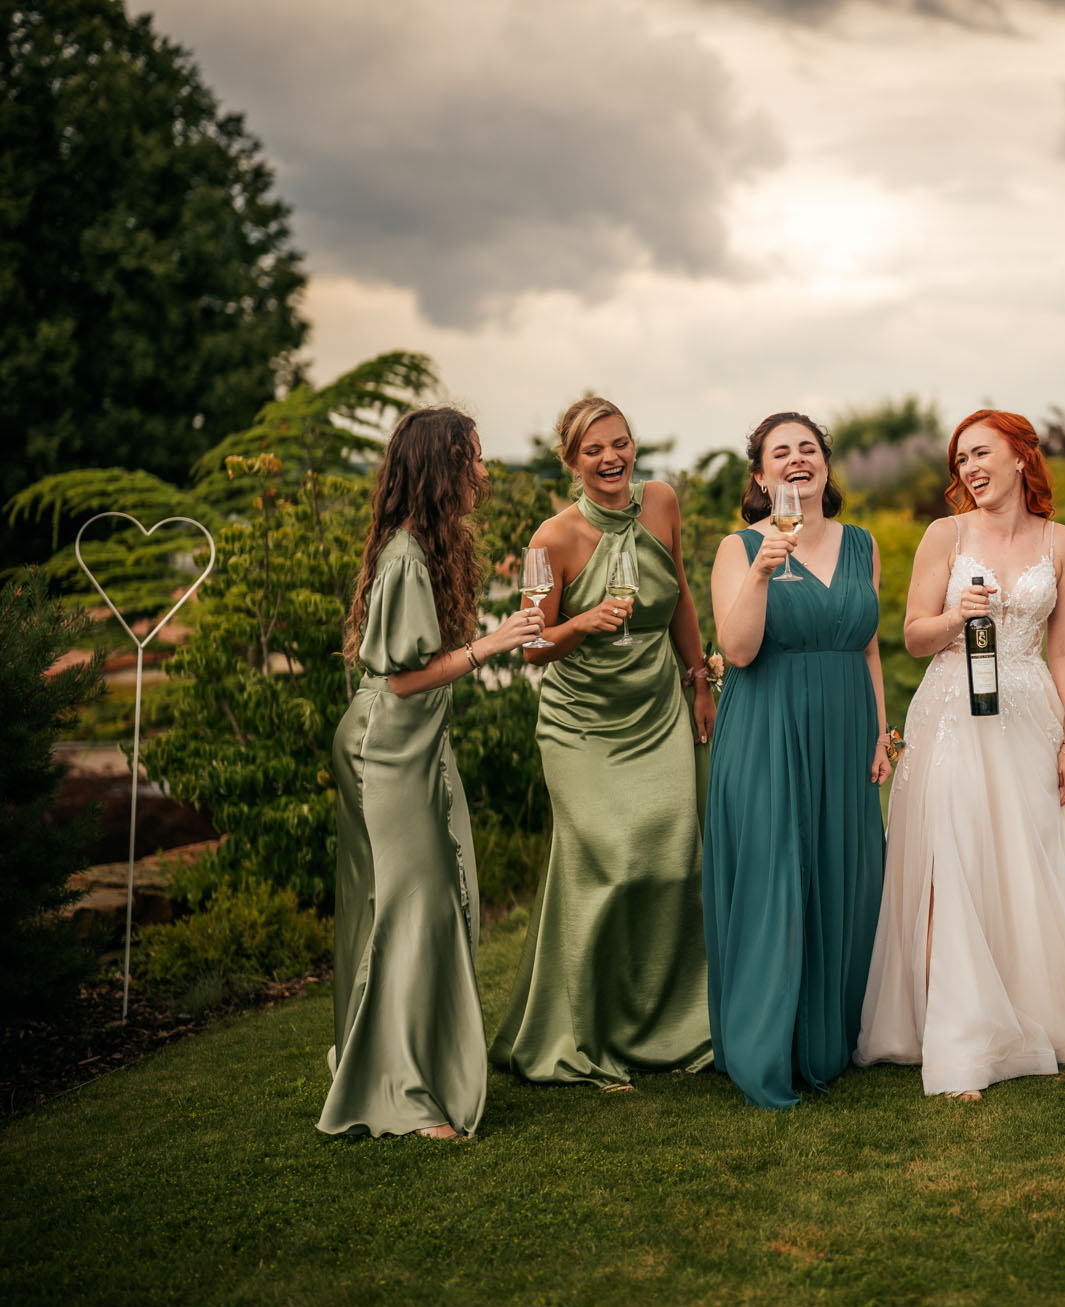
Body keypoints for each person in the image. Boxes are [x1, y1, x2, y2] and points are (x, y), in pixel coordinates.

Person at [856, 410, 1065, 1100]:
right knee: (953, 859)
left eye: (981, 454)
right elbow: (913, 636)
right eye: (961, 460)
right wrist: (958, 617)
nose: (970, 469)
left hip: (1030, 714)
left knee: (1027, 859)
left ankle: (1034, 1014)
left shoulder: (1062, 541)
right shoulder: (946, 534)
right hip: (953, 711)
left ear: (1020, 456)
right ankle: (960, 1037)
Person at [321, 407, 544, 1138]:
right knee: (413, 910)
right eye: (471, 458)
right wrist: (495, 644)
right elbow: (404, 678)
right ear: (440, 470)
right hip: (384, 751)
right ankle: (403, 1090)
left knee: (408, 906)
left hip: (410, 747)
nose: (482, 470)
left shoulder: (428, 546)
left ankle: (381, 1062)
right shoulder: (408, 558)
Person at [489, 397, 715, 1090]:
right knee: (608, 865)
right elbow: (532, 648)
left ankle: (674, 1023)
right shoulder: (549, 540)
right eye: (594, 450)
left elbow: (679, 595)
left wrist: (699, 679)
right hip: (582, 722)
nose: (611, 458)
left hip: (657, 705)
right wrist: (582, 623)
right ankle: (586, 1028)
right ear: (572, 461)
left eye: (620, 443)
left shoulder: (662, 502)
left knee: (673, 859)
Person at [703, 412, 891, 1109]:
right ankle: (765, 1047)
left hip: (846, 728)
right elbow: (738, 650)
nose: (796, 460)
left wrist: (880, 731)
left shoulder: (861, 544)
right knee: (775, 877)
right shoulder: (738, 548)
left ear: (825, 465)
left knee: (844, 873)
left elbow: (868, 643)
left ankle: (828, 1036)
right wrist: (760, 573)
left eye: (808, 448)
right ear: (760, 476)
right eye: (780, 452)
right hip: (768, 727)